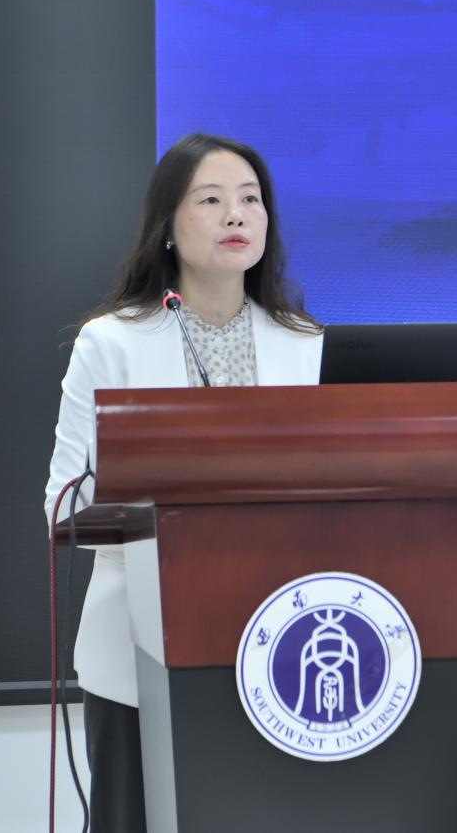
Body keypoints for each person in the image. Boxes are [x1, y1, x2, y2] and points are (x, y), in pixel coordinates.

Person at [43, 133, 323, 831]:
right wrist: (155, 476)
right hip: (139, 648)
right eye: (211, 200)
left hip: (273, 647)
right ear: (167, 226)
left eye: (250, 199)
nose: (236, 215)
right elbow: (61, 505)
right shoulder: (112, 341)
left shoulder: (306, 344)